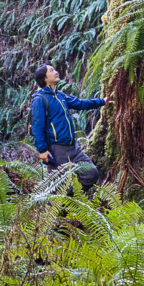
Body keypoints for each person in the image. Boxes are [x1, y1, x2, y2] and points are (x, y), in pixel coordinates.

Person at [29, 63, 109, 194]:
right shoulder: (40, 99)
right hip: (56, 149)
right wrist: (42, 150)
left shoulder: (60, 95)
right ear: (44, 78)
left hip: (73, 147)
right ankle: (55, 210)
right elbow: (37, 126)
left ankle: (68, 199)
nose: (55, 72)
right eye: (51, 70)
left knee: (91, 173)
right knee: (55, 186)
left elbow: (80, 103)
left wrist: (102, 101)